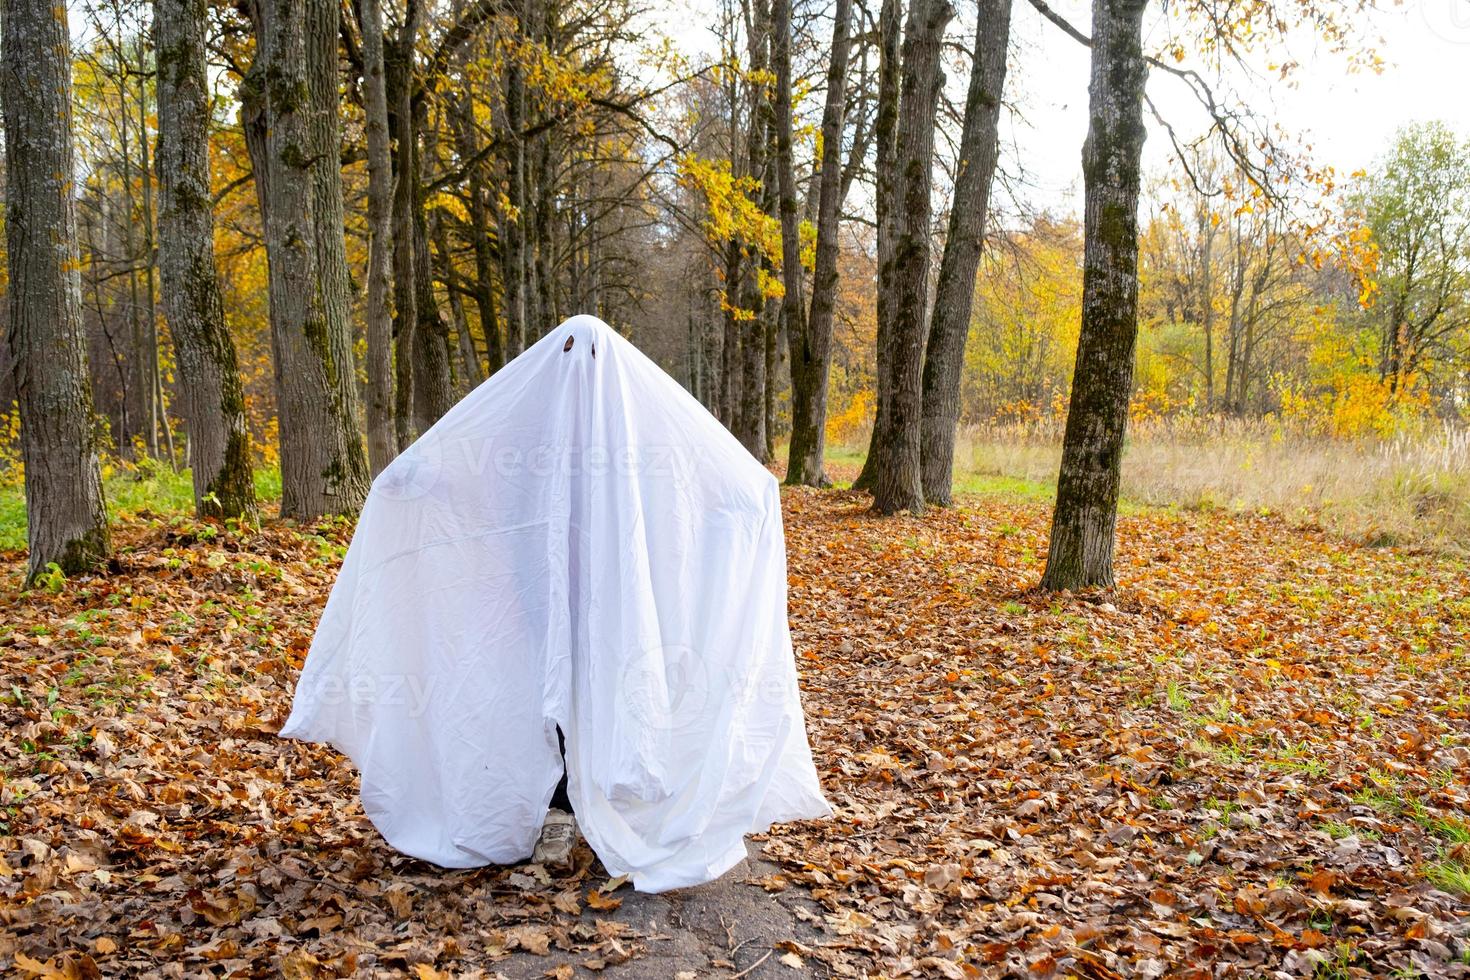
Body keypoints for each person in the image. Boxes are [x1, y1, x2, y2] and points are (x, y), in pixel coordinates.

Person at [279, 315, 830, 892]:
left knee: (605, 681)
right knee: (543, 688)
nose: (578, 373)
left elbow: (718, 479)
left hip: (613, 601)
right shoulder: (523, 434)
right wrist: (408, 484)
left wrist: (750, 499)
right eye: (568, 355)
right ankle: (558, 806)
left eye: (589, 358)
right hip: (537, 594)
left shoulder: (642, 433)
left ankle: (605, 796)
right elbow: (458, 471)